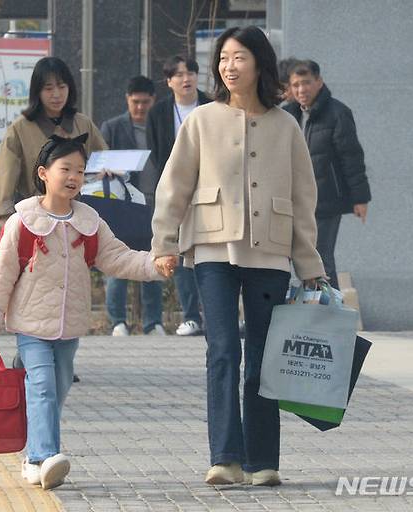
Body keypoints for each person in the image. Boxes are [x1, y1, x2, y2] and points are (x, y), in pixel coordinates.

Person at [151, 26, 326, 486]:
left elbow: (304, 199)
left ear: (260, 64)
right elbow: (174, 185)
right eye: (224, 58)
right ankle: (225, 457)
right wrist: (164, 243)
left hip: (270, 252)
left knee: (265, 357)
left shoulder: (286, 125)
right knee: (224, 350)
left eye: (240, 57)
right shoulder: (202, 121)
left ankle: (262, 460)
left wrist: (310, 266)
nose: (229, 66)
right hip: (212, 249)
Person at [0, 135, 163, 490]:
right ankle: (45, 456)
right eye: (66, 169)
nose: (74, 176)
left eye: (80, 170)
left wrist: (155, 264)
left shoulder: (89, 220)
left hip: (69, 327)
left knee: (57, 388)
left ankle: (34, 456)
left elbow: (118, 257)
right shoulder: (23, 220)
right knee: (44, 386)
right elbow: (2, 271)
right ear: (44, 173)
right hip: (30, 324)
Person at [284, 60, 371, 289]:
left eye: (306, 83)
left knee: (320, 257)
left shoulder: (338, 113)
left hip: (326, 199)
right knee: (289, 258)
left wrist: (360, 198)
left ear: (319, 82)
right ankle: (306, 312)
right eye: (296, 85)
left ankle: (330, 315)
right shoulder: (285, 115)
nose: (301, 90)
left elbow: (351, 157)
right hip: (291, 200)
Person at [0, 56, 108, 226]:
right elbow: (4, 175)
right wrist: (4, 216)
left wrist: (107, 171)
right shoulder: (20, 128)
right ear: (37, 91)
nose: (56, 95)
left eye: (62, 87)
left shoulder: (83, 123)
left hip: (80, 217)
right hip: (35, 218)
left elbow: (104, 159)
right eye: (48, 88)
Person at [146, 55, 211, 336]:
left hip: (210, 189)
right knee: (183, 253)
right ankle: (191, 315)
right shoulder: (159, 113)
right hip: (177, 191)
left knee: (212, 253)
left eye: (191, 73)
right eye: (180, 74)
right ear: (169, 81)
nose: (187, 79)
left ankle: (217, 314)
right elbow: (158, 153)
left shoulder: (212, 106)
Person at [100, 75, 165, 336]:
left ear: (153, 101)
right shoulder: (112, 127)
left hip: (156, 204)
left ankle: (153, 321)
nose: (140, 108)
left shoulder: (161, 127)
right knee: (117, 261)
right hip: (125, 205)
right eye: (135, 102)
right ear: (127, 99)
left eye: (145, 102)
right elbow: (98, 162)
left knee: (154, 262)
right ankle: (117, 321)